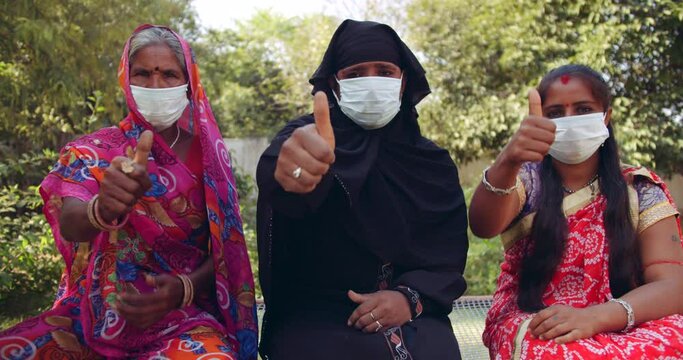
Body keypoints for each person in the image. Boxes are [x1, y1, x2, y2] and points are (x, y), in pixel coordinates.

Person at [0, 25, 258, 359]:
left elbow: (226, 252)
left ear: (188, 82)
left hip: (181, 319)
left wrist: (183, 289)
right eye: (142, 74)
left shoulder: (210, 160)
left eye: (169, 74)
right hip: (90, 318)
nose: (156, 85)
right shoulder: (93, 151)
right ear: (126, 78)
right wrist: (102, 207)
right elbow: (71, 221)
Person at [256, 19, 469, 359]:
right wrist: (293, 172)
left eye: (384, 72)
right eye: (355, 74)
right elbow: (282, 166)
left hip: (413, 312)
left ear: (403, 82)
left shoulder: (431, 162)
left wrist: (408, 298)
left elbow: (445, 257)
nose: (371, 84)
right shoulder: (311, 137)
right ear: (334, 85)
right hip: (317, 313)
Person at [470, 64, 683, 359]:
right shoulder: (525, 181)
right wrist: (508, 160)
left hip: (625, 316)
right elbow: (482, 225)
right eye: (556, 113)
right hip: (538, 319)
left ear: (606, 116)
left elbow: (673, 285)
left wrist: (596, 317)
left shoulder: (640, 188)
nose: (569, 121)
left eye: (583, 109)